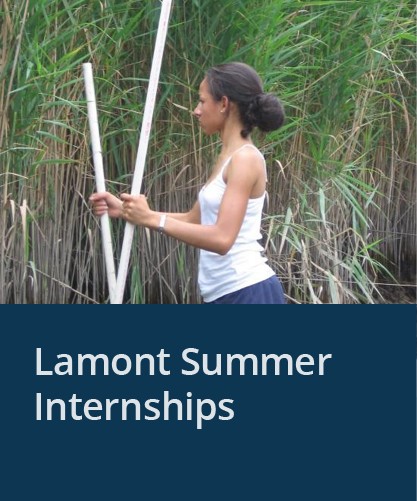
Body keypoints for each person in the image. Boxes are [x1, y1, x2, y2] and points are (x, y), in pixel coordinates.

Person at [90, 62, 286, 304]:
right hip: (226, 294)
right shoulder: (227, 157)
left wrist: (151, 219)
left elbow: (222, 239)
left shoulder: (245, 159)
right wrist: (130, 212)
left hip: (247, 292)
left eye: (202, 101)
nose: (196, 110)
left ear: (224, 104)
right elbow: (194, 220)